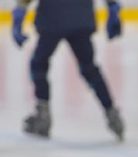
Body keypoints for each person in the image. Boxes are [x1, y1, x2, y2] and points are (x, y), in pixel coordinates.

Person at [11, 0, 125, 140]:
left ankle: (43, 112)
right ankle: (111, 112)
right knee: (90, 69)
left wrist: (19, 15)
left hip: (52, 20)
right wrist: (112, 7)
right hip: (80, 19)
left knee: (38, 65)